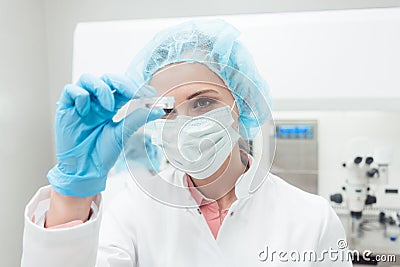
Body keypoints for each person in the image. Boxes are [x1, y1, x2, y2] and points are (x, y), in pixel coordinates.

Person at [22, 19, 352, 266]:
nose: (184, 124)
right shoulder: (131, 210)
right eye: (167, 110)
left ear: (242, 102)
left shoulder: (312, 219)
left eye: (203, 102)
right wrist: (70, 195)